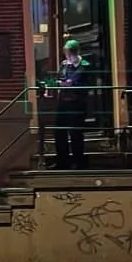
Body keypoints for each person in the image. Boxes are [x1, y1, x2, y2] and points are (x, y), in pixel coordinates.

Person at [54, 37, 92, 169]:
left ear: (75, 52)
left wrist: (70, 84)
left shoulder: (85, 65)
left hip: (76, 104)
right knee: (59, 132)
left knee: (75, 133)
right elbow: (59, 78)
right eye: (66, 53)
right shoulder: (64, 65)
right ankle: (62, 161)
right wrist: (61, 83)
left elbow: (82, 83)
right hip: (63, 103)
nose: (68, 55)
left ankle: (79, 161)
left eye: (70, 53)